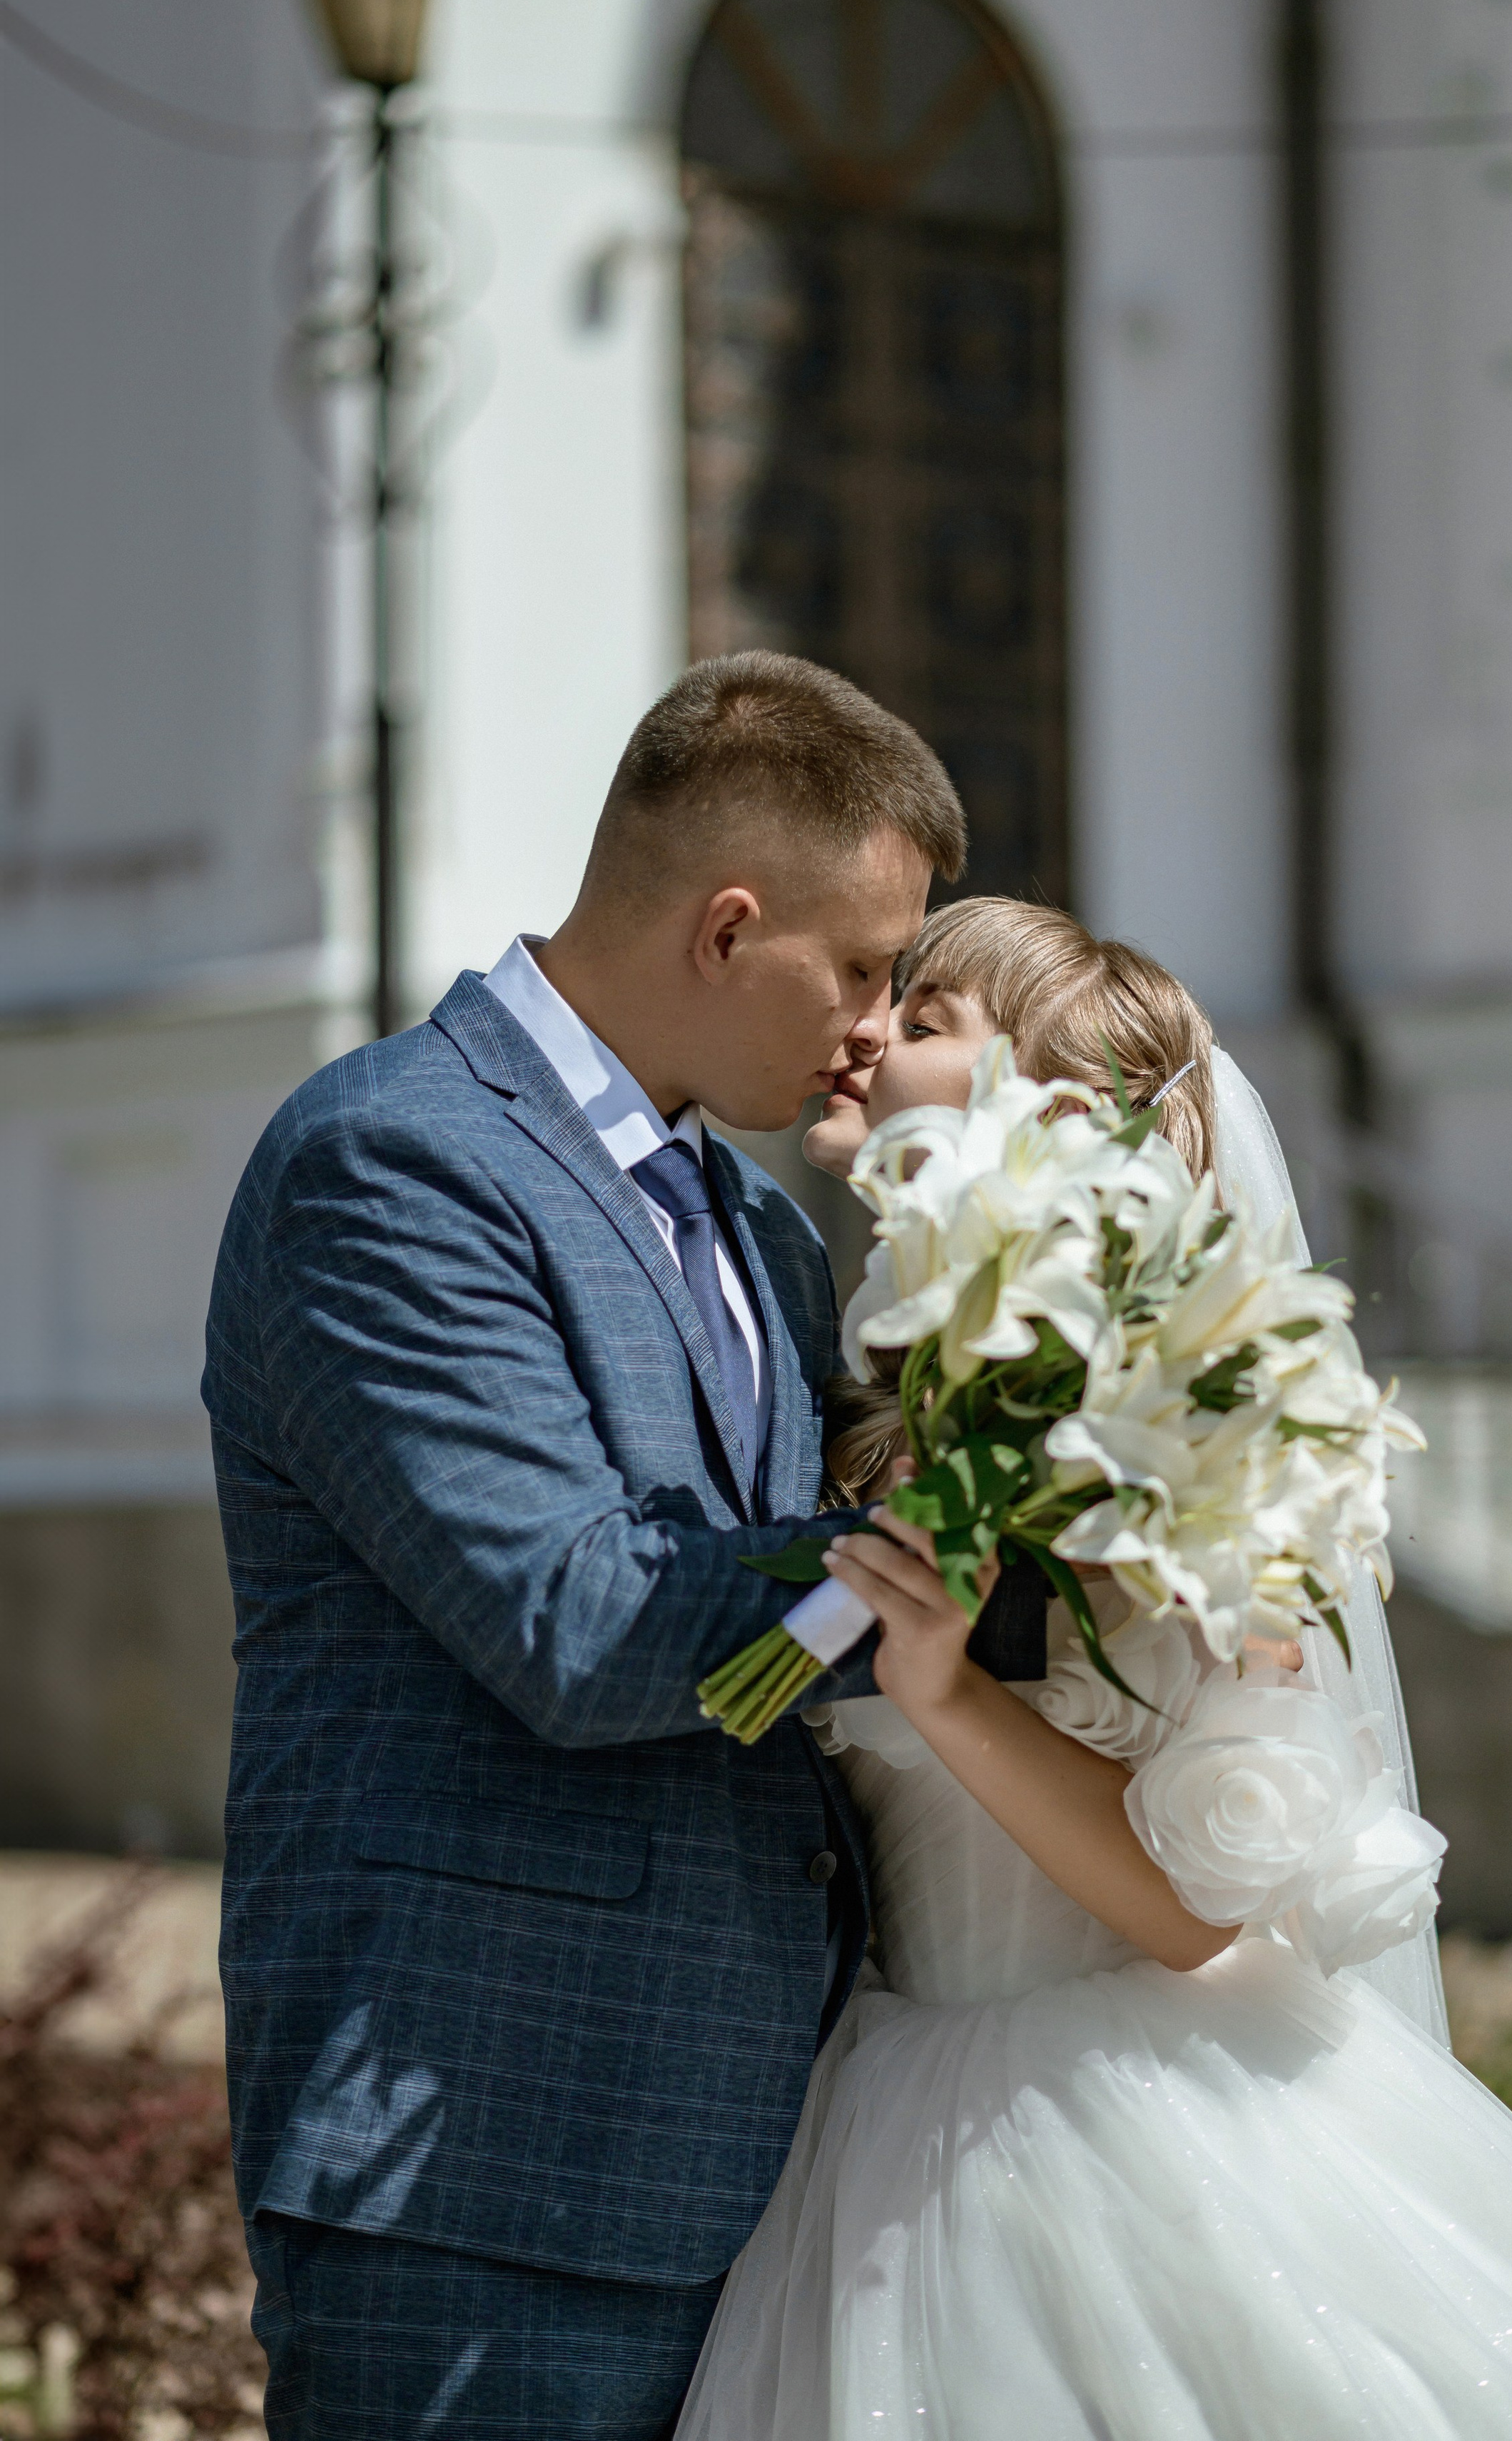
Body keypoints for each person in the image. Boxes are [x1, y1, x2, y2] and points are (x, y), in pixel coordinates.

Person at [676, 896, 1512, 2441]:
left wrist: (946, 1694)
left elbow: (1196, 1912)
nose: (862, 1032)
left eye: (921, 1017)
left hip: (1107, 2121)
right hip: (874, 2097)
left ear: (1050, 1117)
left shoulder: (1179, 1422)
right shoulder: (880, 1397)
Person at [202, 652, 975, 2441]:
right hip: (484, 2160)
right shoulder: (389, 1164)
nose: (874, 1024)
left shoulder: (765, 1237)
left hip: (767, 2152)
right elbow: (578, 1624)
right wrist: (959, 1549)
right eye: (859, 969)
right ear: (726, 928)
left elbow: (788, 1630)